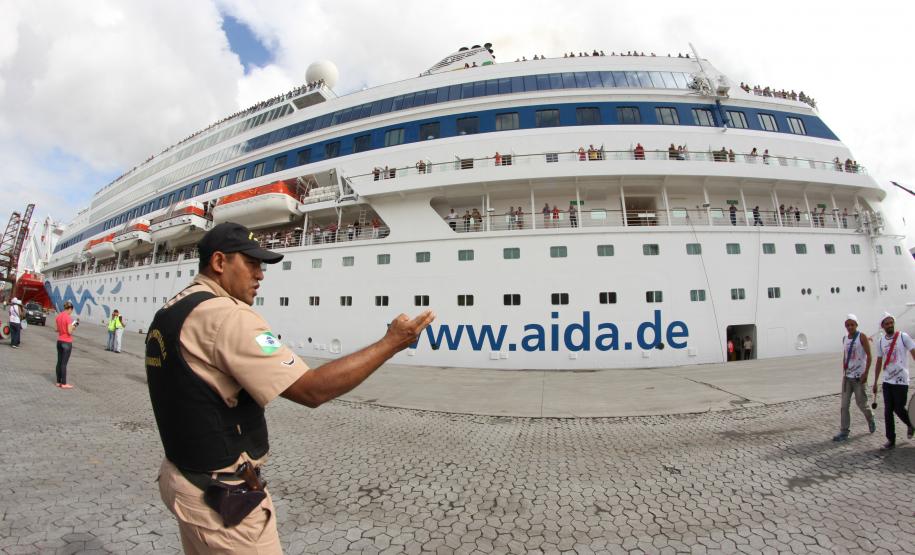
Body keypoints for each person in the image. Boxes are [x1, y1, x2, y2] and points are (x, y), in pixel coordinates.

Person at [147, 222, 434, 552]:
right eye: (252, 263)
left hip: (181, 479)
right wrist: (391, 343)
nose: (261, 275)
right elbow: (311, 390)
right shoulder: (230, 317)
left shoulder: (171, 309)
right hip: (223, 502)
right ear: (219, 263)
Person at [872, 313, 915, 449]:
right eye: (887, 323)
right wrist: (875, 382)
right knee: (888, 410)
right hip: (887, 381)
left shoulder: (903, 337)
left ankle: (911, 424)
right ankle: (891, 439)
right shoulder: (880, 342)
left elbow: (914, 353)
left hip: (901, 380)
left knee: (898, 408)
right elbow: (879, 362)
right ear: (883, 326)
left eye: (891, 323)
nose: (889, 325)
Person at [833, 315, 876, 441]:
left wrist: (866, 373)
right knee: (844, 406)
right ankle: (844, 431)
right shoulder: (845, 338)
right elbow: (845, 356)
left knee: (862, 404)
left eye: (852, 324)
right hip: (847, 378)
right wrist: (844, 372)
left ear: (856, 325)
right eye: (848, 325)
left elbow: (869, 356)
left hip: (858, 378)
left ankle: (870, 418)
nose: (850, 327)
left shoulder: (861, 337)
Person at [55, 301, 77, 389]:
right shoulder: (68, 318)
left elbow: (56, 329)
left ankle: (58, 381)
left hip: (59, 341)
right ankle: (64, 383)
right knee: (64, 364)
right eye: (71, 310)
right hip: (67, 342)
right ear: (70, 309)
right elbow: (69, 331)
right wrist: (74, 326)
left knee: (59, 362)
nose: (71, 312)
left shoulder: (58, 316)